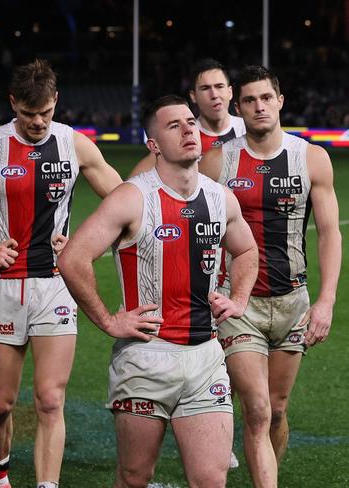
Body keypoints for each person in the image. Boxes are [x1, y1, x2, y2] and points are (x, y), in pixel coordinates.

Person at [0, 59, 122, 488]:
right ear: (12, 103)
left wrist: (85, 246)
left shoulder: (74, 144)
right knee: (0, 402)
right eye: (28, 113)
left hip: (57, 286)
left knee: (50, 400)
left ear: (56, 102)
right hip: (6, 288)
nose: (37, 122)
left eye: (45, 112)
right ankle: (0, 478)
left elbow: (127, 203)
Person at [57, 95, 258, 488]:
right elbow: (73, 259)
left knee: (211, 480)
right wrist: (108, 320)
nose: (188, 130)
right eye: (173, 126)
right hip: (146, 357)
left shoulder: (220, 197)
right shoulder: (132, 197)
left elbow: (247, 249)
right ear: (154, 145)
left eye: (189, 122)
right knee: (135, 477)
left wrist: (239, 299)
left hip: (206, 356)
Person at [199, 65, 342, 487]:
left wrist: (326, 300)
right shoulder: (217, 160)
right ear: (238, 107)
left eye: (266, 98)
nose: (259, 106)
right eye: (249, 100)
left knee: (277, 409)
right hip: (238, 303)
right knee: (257, 408)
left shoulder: (311, 158)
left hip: (293, 302)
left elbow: (330, 234)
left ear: (280, 101)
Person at [130, 59, 246, 177]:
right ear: (193, 96)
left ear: (230, 92)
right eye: (205, 88)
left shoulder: (247, 129)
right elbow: (132, 183)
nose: (214, 95)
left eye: (219, 86)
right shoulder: (183, 133)